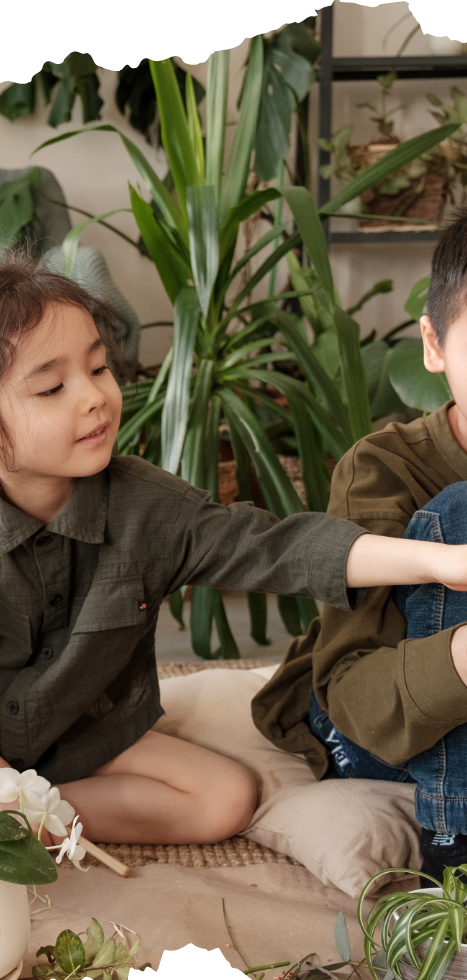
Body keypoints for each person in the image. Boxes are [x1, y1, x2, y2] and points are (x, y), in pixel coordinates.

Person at [0, 255, 467, 881]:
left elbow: (277, 548)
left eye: (97, 367)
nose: (95, 396)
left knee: (227, 799)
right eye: (52, 387)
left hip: (70, 742)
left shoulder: (146, 507)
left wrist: (440, 560)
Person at [253, 208, 467, 883]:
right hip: (373, 724)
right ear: (433, 346)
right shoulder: (385, 469)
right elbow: (355, 697)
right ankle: (453, 859)